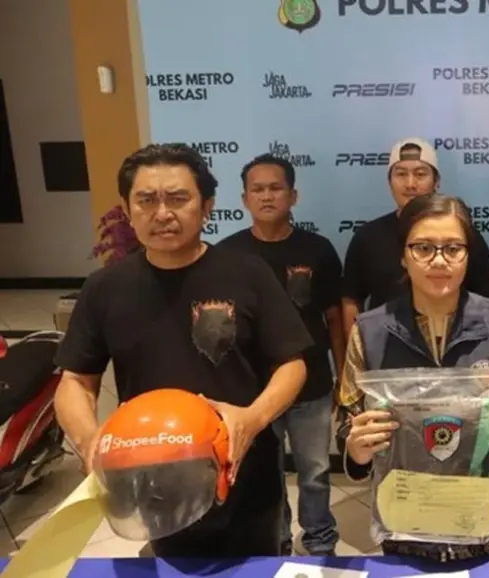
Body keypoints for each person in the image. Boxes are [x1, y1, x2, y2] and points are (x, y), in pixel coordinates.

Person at [53, 143, 312, 557]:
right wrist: (88, 440)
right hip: (148, 476)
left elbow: (292, 364)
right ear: (128, 209)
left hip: (241, 470)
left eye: (178, 198)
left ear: (207, 206)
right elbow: (75, 381)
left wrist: (252, 419)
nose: (162, 213)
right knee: (168, 564)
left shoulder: (248, 272)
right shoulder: (104, 288)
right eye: (146, 200)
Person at [339, 194, 489, 561]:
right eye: (423, 248)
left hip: (482, 517)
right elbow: (347, 424)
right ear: (403, 255)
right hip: (405, 519)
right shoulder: (370, 331)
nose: (439, 260)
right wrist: (357, 448)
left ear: (468, 255)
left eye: (453, 248)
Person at [218, 153, 343, 555]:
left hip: (313, 384)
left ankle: (320, 538)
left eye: (276, 188)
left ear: (293, 195)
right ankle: (278, 539)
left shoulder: (318, 249)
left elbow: (334, 319)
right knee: (266, 475)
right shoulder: (228, 255)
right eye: (257, 189)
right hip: (254, 389)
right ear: (244, 199)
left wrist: (343, 375)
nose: (267, 196)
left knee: (315, 471)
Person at [341, 138, 489, 342]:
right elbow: (351, 301)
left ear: (436, 181)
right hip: (385, 348)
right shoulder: (367, 237)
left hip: (456, 345)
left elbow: (486, 300)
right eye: (401, 174)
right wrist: (358, 350)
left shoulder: (462, 235)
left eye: (420, 174)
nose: (410, 184)